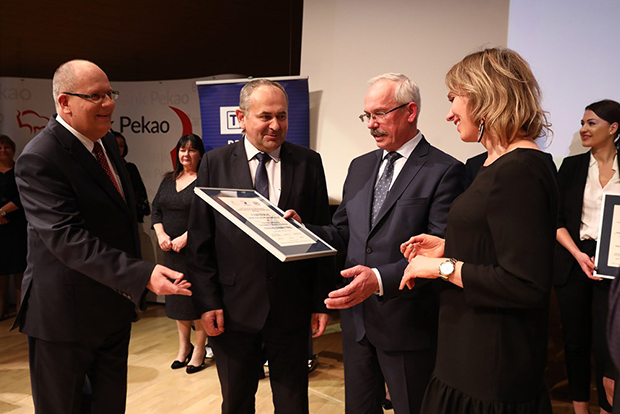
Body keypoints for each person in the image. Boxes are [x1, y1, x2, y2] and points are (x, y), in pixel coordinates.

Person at [13, 59, 191, 414]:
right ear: (64, 102)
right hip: (64, 317)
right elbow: (67, 239)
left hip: (112, 308)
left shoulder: (105, 141)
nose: (108, 103)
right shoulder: (40, 158)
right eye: (95, 96)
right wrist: (142, 274)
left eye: (110, 94)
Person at [286, 73, 465, 414]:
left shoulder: (444, 170)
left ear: (410, 111)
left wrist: (379, 279)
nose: (371, 124)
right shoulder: (360, 166)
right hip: (358, 324)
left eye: (380, 114)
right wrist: (302, 230)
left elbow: (442, 249)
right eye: (366, 115)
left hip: (408, 324)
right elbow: (342, 232)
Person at [400, 48, 558, 413]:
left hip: (491, 369)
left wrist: (441, 267)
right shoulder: (497, 165)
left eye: (453, 98)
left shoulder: (520, 170)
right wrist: (450, 246)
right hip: (468, 353)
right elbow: (499, 246)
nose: (449, 113)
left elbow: (525, 283)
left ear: (485, 97)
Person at [186, 79, 333, 413]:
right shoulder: (214, 163)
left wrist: (319, 301)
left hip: (292, 307)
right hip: (232, 310)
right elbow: (200, 241)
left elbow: (322, 237)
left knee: (293, 403)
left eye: (282, 116)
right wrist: (207, 302)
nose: (275, 125)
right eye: (265, 116)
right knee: (236, 402)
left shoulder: (308, 162)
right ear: (241, 118)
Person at [554, 99, 620, 414]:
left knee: (609, 346)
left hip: (615, 265)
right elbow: (555, 220)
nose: (583, 129)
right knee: (576, 342)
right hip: (574, 260)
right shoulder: (571, 167)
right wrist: (578, 254)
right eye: (582, 123)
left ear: (614, 128)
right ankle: (580, 411)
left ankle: (607, 408)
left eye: (592, 123)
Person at [152, 133, 210, 374]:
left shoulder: (205, 181)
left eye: (192, 150)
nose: (186, 154)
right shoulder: (168, 180)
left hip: (195, 252)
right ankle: (184, 347)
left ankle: (200, 350)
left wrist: (187, 237)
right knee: (177, 301)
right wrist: (161, 235)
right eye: (182, 150)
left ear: (200, 154)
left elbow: (208, 216)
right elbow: (156, 210)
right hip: (171, 253)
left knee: (195, 301)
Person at [0, 135, 26, 320]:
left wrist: (2, 212)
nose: (3, 150)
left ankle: (20, 309)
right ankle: (0, 308)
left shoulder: (20, 170)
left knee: (19, 268)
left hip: (17, 225)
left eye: (7, 147)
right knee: (0, 270)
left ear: (13, 149)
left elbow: (23, 195)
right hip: (0, 228)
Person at [113, 131, 150, 223]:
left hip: (129, 216)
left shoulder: (130, 168)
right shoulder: (102, 168)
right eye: (115, 145)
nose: (118, 148)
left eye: (121, 145)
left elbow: (138, 192)